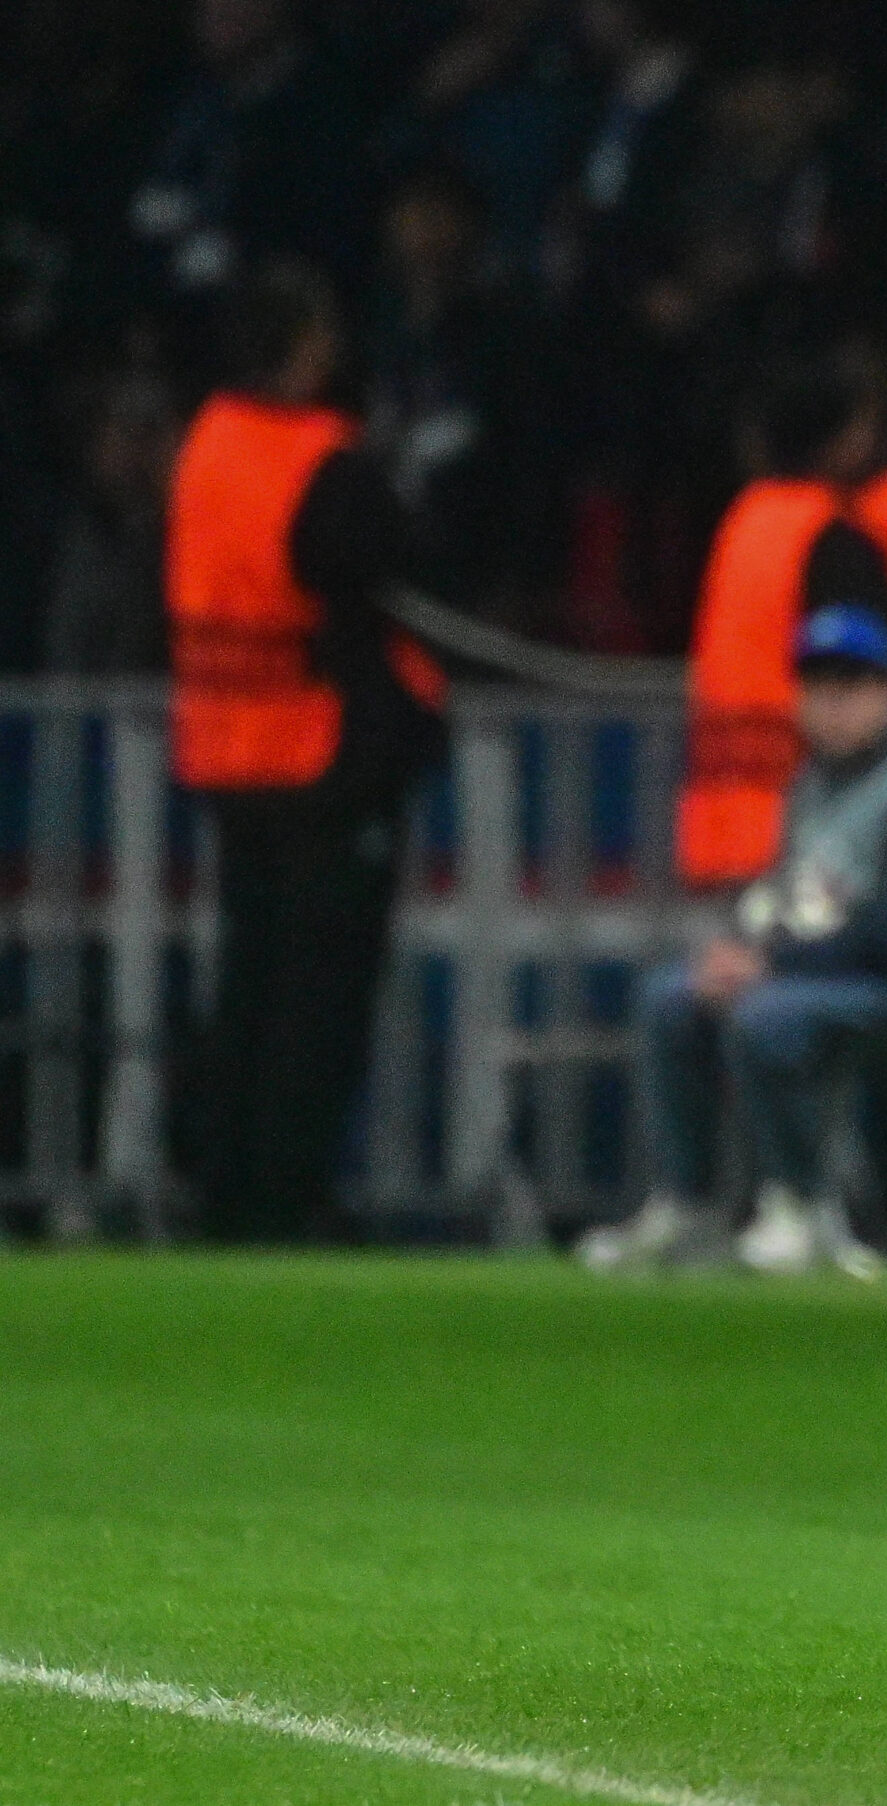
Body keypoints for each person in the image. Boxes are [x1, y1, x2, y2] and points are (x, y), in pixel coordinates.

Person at [583, 604, 887, 1276]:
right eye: (816, 688)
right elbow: (793, 901)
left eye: (850, 688)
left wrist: (773, 965)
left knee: (769, 1015)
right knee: (673, 997)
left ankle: (802, 1205)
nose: (829, 706)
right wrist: (741, 953)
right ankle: (689, 1204)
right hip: (833, 976)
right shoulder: (814, 782)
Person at [166, 259, 447, 1241]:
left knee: (246, 981)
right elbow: (396, 571)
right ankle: (290, 1194)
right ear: (306, 351)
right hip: (321, 750)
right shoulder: (323, 461)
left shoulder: (204, 446)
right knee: (316, 997)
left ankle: (223, 1185)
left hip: (225, 747)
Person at [674, 358, 887, 889]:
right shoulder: (832, 539)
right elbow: (858, 685)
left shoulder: (743, 521)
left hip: (723, 823)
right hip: (805, 828)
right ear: (837, 439)